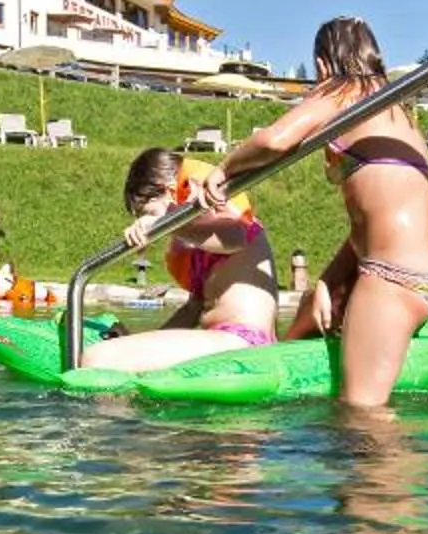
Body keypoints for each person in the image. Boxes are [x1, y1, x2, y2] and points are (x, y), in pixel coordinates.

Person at [194, 17, 428, 409]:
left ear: (325, 64)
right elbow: (374, 217)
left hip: (389, 279)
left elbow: (274, 140)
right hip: (420, 277)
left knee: (362, 416)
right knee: (312, 305)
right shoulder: (395, 110)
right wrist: (329, 281)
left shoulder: (343, 89)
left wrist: (225, 168)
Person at [79, 148, 282, 371]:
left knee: (97, 359)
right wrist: (134, 343)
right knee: (112, 353)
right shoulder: (196, 239)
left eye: (146, 211)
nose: (142, 220)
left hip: (244, 340)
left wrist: (165, 222)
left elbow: (238, 237)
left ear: (169, 191)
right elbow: (193, 309)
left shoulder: (229, 219)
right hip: (222, 340)